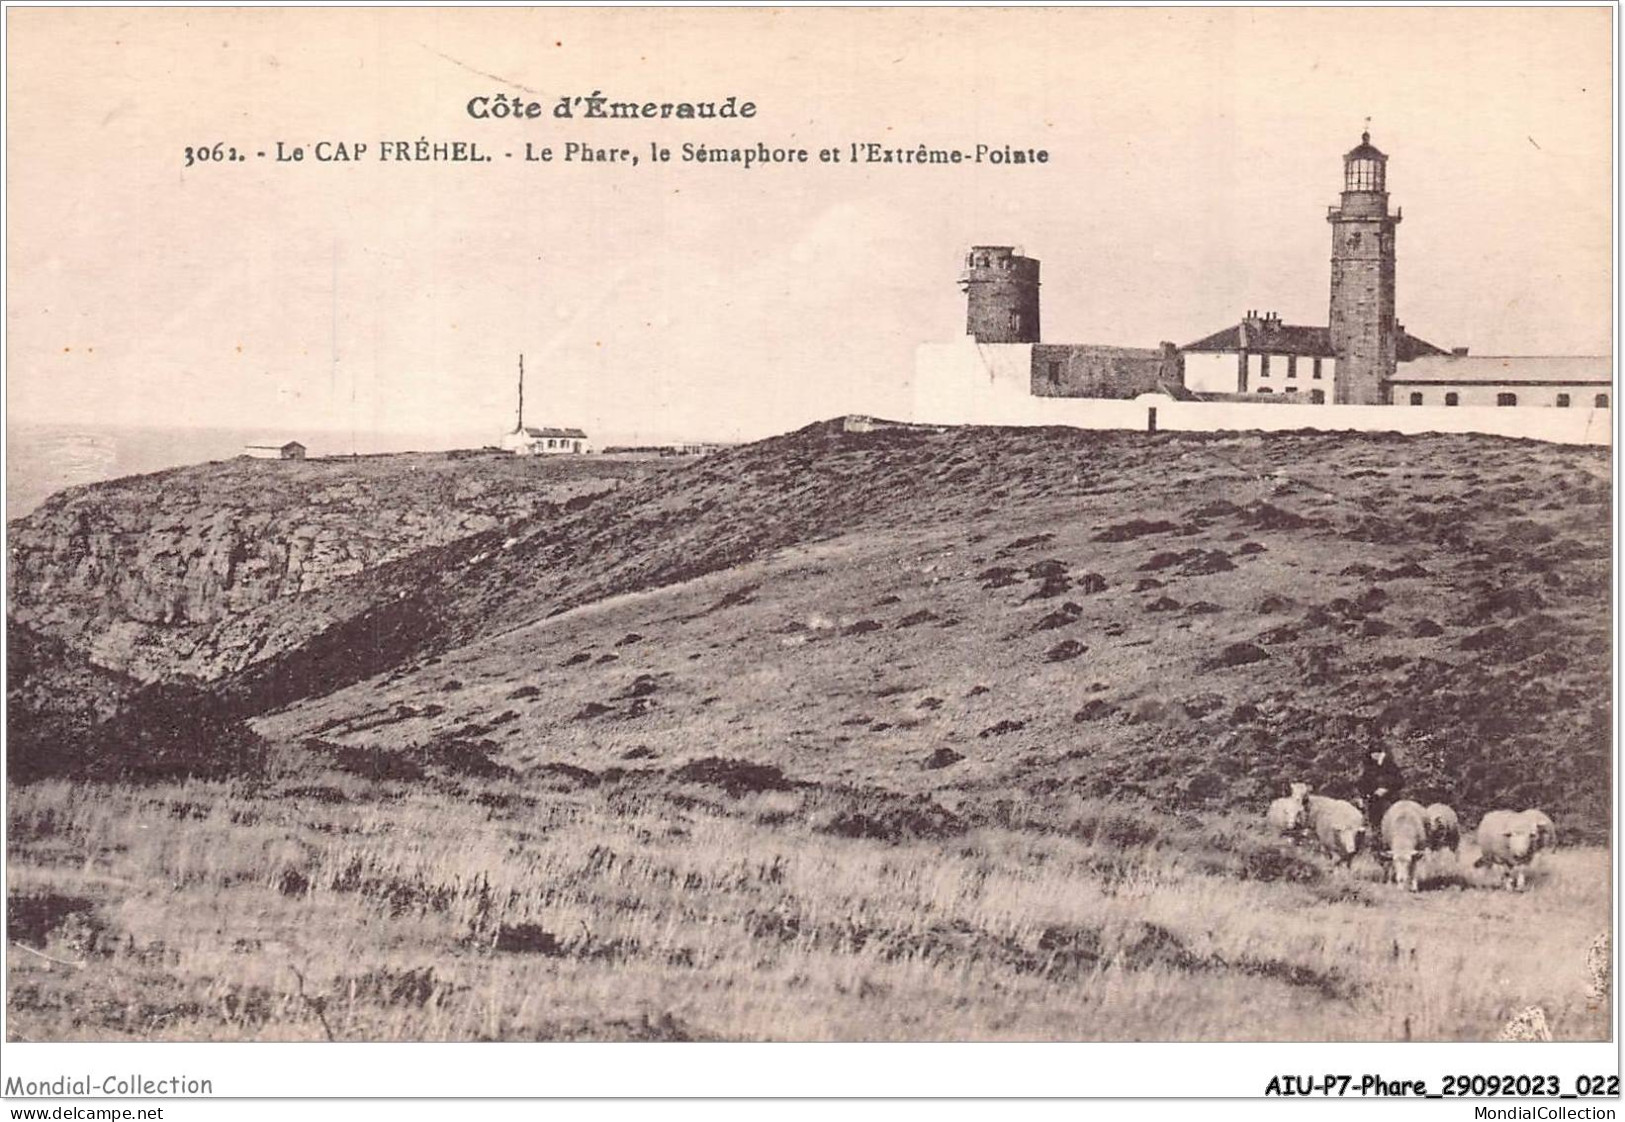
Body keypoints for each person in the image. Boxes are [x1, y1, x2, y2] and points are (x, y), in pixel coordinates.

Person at [1357, 745, 1405, 848]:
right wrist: (1363, 795)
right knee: (1374, 822)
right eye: (1372, 754)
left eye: (1376, 754)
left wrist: (1386, 788)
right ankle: (1377, 843)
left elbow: (1399, 781)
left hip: (1390, 798)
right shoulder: (1369, 766)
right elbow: (1363, 783)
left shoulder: (1389, 765)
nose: (1374, 756)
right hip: (1374, 800)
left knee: (1391, 821)